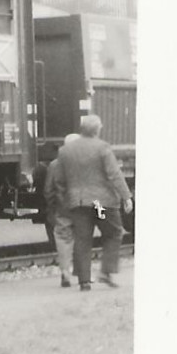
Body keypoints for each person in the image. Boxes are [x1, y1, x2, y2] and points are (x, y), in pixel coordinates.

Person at [52, 114, 134, 290]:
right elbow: (114, 174)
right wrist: (126, 196)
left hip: (78, 203)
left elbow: (59, 179)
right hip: (99, 204)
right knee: (113, 232)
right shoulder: (102, 148)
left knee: (82, 239)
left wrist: (66, 199)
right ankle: (106, 271)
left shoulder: (65, 151)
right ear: (97, 129)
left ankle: (84, 281)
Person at [44, 132, 82, 287]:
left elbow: (48, 190)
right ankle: (81, 273)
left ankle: (65, 271)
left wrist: (52, 208)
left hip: (62, 209)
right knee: (81, 239)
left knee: (63, 239)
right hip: (82, 209)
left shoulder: (54, 165)